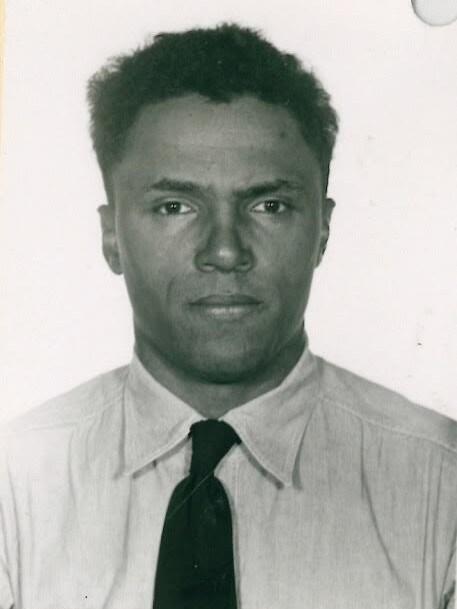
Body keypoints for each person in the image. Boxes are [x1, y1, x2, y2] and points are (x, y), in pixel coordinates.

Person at [0, 23, 455, 609]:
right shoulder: (14, 487)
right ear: (112, 235)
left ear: (323, 229)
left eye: (269, 204)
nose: (224, 250)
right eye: (174, 206)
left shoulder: (442, 489)